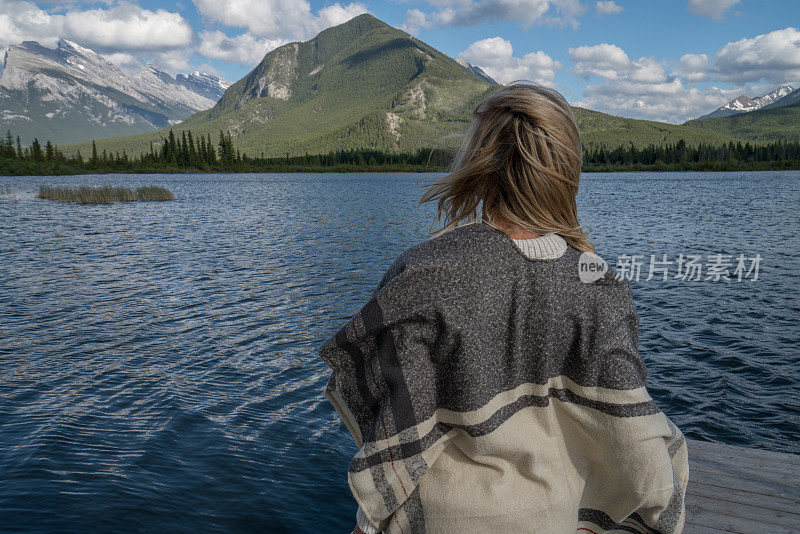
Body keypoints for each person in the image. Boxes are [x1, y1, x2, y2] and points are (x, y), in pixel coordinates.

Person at [319, 82, 689, 534]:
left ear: (481, 164)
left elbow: (395, 436)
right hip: (553, 519)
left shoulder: (425, 272)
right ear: (565, 170)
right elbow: (633, 442)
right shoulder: (601, 285)